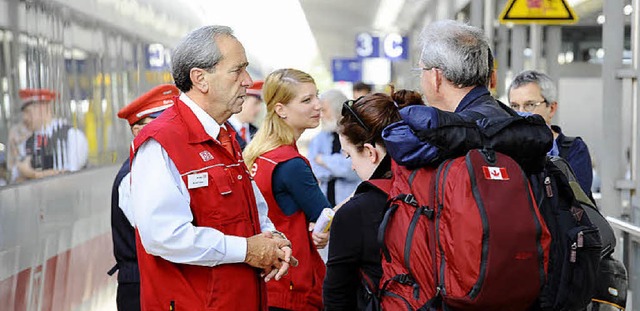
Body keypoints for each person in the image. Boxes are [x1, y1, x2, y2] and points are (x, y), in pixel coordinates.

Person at [129, 25, 294, 311]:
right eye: (237, 70)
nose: (247, 80)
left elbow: (253, 210)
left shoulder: (224, 135)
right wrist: (247, 250)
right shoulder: (162, 142)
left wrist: (272, 240)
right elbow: (163, 236)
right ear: (200, 78)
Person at [323, 90, 424, 310]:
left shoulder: (354, 213)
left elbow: (337, 297)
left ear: (370, 152)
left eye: (349, 155)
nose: (351, 166)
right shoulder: (432, 188)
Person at [244, 68, 331, 311]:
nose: (318, 106)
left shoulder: (258, 156)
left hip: (267, 280)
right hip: (293, 284)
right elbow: (324, 215)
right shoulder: (291, 164)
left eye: (317, 96)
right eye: (307, 100)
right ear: (280, 109)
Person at [108, 84, 178, 311]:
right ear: (138, 130)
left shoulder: (155, 167)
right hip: (141, 287)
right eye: (163, 123)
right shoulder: (134, 176)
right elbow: (161, 234)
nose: (173, 129)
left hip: (156, 282)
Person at [508, 69, 594, 198]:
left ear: (552, 108)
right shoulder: (504, 148)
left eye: (530, 105)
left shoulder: (574, 150)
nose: (520, 113)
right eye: (514, 106)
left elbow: (575, 202)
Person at [14, 88, 88, 180]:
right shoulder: (26, 143)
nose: (25, 118)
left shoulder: (71, 136)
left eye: (28, 112)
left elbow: (68, 177)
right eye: (23, 113)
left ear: (44, 108)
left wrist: (32, 174)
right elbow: (16, 180)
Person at [307, 89, 360, 207]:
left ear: (337, 109)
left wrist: (323, 160)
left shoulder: (354, 135)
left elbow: (352, 169)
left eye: (325, 110)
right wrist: (338, 166)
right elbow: (314, 170)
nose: (322, 115)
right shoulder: (319, 139)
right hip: (326, 204)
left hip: (351, 204)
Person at [229, 80, 263, 149]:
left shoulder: (258, 134)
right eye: (256, 103)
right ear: (241, 101)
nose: (259, 109)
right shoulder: (222, 128)